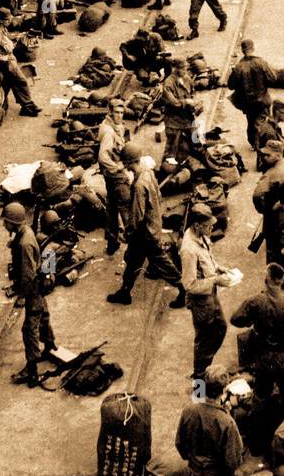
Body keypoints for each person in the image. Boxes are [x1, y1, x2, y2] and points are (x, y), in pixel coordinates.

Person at [106, 147, 185, 307]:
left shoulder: (139, 184)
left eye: (127, 164)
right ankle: (125, 292)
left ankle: (184, 291)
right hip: (152, 226)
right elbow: (159, 197)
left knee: (161, 262)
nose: (127, 168)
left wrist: (128, 232)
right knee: (133, 261)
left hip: (145, 233)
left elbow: (137, 214)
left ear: (130, 162)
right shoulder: (148, 173)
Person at [230, 263, 284, 411]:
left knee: (260, 399)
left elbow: (235, 319)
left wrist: (251, 320)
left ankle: (256, 431)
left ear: (266, 279)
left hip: (264, 360)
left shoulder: (255, 301)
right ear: (282, 281)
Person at [174, 367, 244, 476]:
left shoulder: (189, 410)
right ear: (225, 390)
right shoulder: (227, 422)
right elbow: (233, 461)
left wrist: (194, 460)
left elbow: (180, 443)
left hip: (194, 474)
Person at [2, 203, 58, 387]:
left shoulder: (25, 243)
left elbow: (27, 275)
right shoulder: (25, 233)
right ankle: (49, 346)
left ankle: (32, 370)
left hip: (32, 288)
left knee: (29, 329)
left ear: (13, 222)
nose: (4, 225)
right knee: (43, 315)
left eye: (5, 222)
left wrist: (22, 296)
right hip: (38, 285)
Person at [180, 204, 230, 377]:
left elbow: (207, 259)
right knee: (203, 341)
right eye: (208, 226)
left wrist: (218, 268)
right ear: (197, 226)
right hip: (200, 303)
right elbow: (190, 285)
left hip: (210, 295)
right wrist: (215, 279)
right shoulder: (188, 249)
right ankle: (200, 387)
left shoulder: (200, 236)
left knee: (220, 328)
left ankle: (205, 369)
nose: (212, 228)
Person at [0, 8, 43, 115]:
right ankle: (28, 104)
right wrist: (4, 58)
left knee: (13, 83)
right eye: (7, 20)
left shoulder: (2, 28)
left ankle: (26, 106)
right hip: (7, 62)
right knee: (21, 80)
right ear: (1, 20)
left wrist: (17, 36)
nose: (9, 21)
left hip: (10, 59)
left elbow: (5, 40)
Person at [227, 38, 277, 150]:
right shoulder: (261, 62)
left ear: (242, 50)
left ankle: (254, 143)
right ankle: (262, 144)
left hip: (248, 102)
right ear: (253, 48)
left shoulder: (239, 67)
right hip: (263, 100)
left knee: (251, 121)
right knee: (263, 122)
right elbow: (273, 78)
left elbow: (230, 85)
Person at [97, 97, 130, 255]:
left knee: (111, 206)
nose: (120, 115)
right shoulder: (109, 132)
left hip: (109, 176)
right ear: (110, 112)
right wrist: (117, 168)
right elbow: (103, 157)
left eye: (122, 112)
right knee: (126, 207)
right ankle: (133, 242)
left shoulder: (115, 126)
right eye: (116, 112)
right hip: (116, 176)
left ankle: (112, 242)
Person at [161, 57, 199, 160]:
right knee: (171, 150)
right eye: (182, 69)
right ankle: (165, 169)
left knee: (196, 142)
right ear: (175, 68)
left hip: (188, 118)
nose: (185, 71)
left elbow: (193, 92)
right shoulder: (168, 83)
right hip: (173, 121)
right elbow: (174, 103)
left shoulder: (187, 79)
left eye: (186, 68)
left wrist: (195, 103)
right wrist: (186, 102)